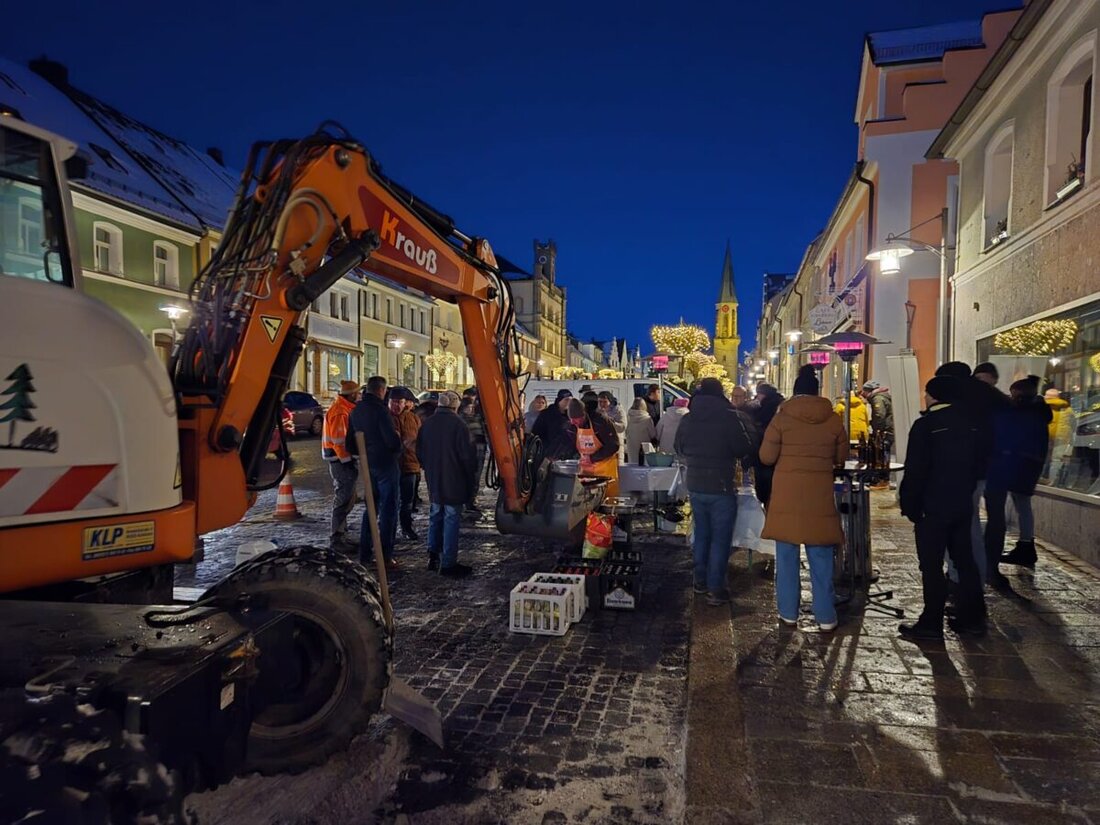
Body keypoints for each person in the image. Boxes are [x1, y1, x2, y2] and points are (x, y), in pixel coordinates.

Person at [898, 376, 986, 640]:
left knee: (932, 564)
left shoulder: (927, 426)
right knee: (964, 559)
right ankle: (972, 617)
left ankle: (931, 622)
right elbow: (979, 465)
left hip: (932, 505)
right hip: (961, 503)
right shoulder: (971, 424)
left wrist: (910, 504)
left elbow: (916, 470)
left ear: (934, 396)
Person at [759, 365, 846, 631]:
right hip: (818, 494)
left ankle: (788, 613)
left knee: (786, 557)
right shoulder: (833, 420)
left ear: (795, 393)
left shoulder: (782, 419)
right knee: (820, 556)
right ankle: (826, 616)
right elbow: (840, 459)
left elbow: (766, 457)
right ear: (817, 391)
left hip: (787, 495)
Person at [675, 378, 752, 606]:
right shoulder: (730, 417)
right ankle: (716, 588)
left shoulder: (689, 418)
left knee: (702, 533)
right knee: (720, 538)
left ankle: (699, 581)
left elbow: (678, 447)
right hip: (722, 483)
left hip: (696, 483)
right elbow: (743, 447)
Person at [935, 360, 1007, 586]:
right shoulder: (992, 396)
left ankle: (962, 575)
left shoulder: (961, 400)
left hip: (962, 471)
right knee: (973, 522)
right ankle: (978, 572)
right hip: (988, 470)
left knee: (960, 525)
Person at [986, 376, 1051, 575]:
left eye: (1014, 394)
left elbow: (1018, 439)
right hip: (1027, 464)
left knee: (1020, 504)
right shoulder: (1038, 412)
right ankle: (1025, 544)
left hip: (1021, 464)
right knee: (1021, 505)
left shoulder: (1028, 413)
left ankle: (1025, 545)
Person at [417, 391, 478, 576]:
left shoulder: (428, 424)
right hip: (454, 479)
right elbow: (468, 456)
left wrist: (427, 466)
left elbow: (419, 451)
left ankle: (433, 555)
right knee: (451, 517)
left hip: (434, 477)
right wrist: (470, 476)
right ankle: (449, 563)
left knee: (436, 513)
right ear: (455, 405)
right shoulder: (459, 425)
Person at [347, 376, 402, 569]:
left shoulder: (356, 411)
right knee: (388, 509)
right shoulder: (381, 411)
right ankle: (386, 555)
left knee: (371, 507)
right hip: (386, 464)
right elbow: (392, 441)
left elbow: (350, 444)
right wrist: (398, 443)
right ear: (381, 390)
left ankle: (365, 553)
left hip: (368, 464)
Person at [321, 380, 361, 550]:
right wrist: (349, 462)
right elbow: (339, 442)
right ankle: (337, 538)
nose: (359, 396)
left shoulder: (344, 409)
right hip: (340, 462)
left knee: (348, 497)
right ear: (351, 395)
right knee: (343, 498)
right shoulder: (340, 412)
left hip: (341, 460)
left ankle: (342, 534)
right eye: (357, 393)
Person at [389, 386, 421, 541]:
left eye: (399, 402)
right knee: (391, 502)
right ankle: (390, 530)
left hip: (411, 466)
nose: (396, 405)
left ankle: (407, 528)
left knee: (407, 502)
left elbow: (420, 439)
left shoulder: (413, 418)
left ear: (405, 403)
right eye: (393, 402)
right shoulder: (387, 418)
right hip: (392, 467)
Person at [571, 395, 620, 495]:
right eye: (571, 419)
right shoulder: (572, 425)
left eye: (576, 419)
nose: (573, 422)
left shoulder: (600, 421)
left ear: (583, 415)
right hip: (586, 473)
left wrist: (593, 458)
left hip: (605, 470)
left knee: (606, 500)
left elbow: (614, 445)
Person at [749, 383, 784, 508]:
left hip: (763, 451)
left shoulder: (764, 409)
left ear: (762, 394)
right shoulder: (781, 405)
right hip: (779, 454)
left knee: (765, 486)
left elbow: (757, 426)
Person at [861, 380, 894, 490]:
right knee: (884, 454)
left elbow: (879, 415)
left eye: (864, 391)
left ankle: (882, 479)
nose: (862, 394)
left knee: (881, 455)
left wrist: (876, 430)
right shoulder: (883, 396)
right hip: (889, 430)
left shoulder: (877, 398)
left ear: (868, 391)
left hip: (885, 431)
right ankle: (883, 478)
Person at [459, 388, 487, 513]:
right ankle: (464, 500)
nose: (470, 410)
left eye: (471, 407)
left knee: (476, 477)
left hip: (479, 450)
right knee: (466, 477)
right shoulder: (460, 420)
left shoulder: (479, 418)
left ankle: (471, 500)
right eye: (467, 407)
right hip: (467, 452)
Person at [532, 388, 577, 460]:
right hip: (550, 455)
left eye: (570, 400)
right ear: (559, 401)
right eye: (566, 400)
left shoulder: (572, 415)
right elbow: (537, 433)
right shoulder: (547, 414)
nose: (568, 403)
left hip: (569, 456)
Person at [1043, 387, 1073, 485]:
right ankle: (1053, 481)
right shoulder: (1067, 408)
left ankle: (1041, 478)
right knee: (1056, 460)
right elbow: (1073, 423)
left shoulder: (1042, 406)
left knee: (1044, 458)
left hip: (1045, 435)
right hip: (1061, 437)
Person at [625, 397, 657, 465]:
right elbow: (653, 434)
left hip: (631, 445)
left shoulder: (628, 417)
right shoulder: (647, 419)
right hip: (644, 446)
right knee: (644, 464)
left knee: (632, 463)